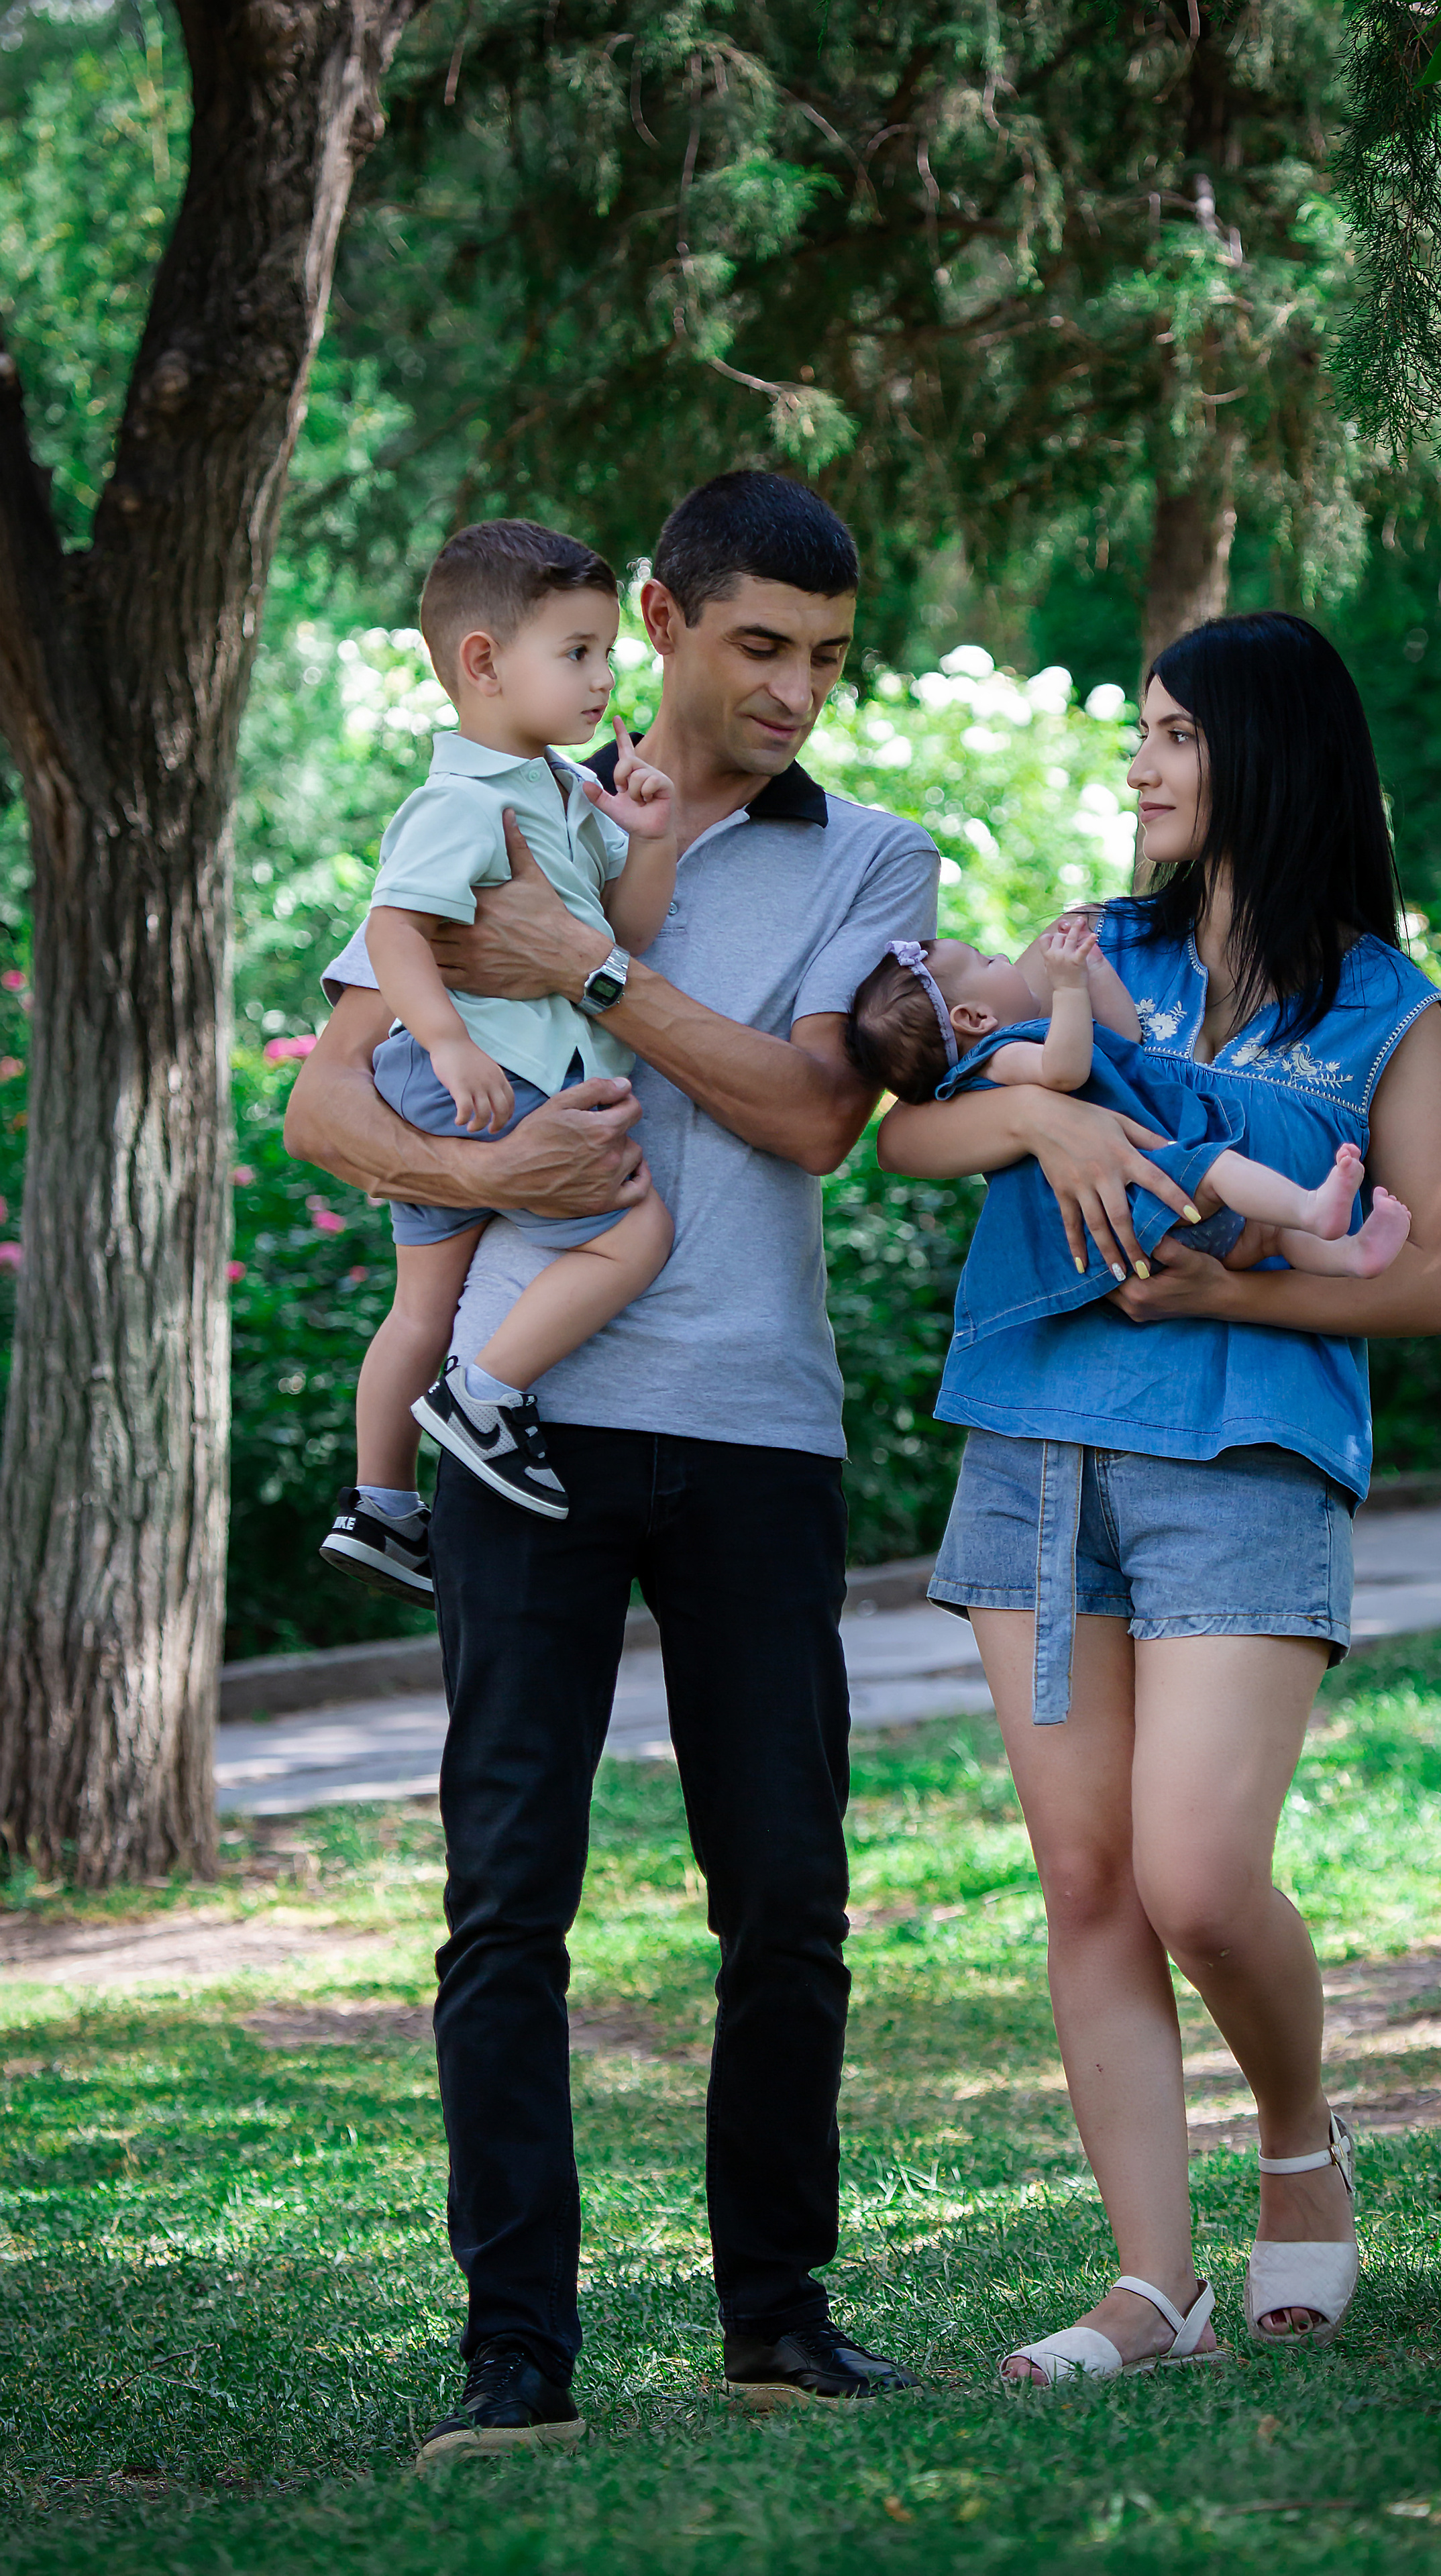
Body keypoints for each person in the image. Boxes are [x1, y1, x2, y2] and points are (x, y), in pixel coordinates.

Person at [284, 472, 937, 2461]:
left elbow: (811, 1114)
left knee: (788, 1892)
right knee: (508, 1897)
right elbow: (326, 1108)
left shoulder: (871, 854)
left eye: (828, 657)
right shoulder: (498, 796)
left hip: (755, 1423)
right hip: (520, 1422)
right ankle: (516, 2355)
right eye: (759, 645)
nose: (796, 690)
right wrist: (488, 1170)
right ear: (657, 619)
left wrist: (585, 967)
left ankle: (776, 2320)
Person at [874, 612, 1441, 2379]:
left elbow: (1440, 1280)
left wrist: (1233, 1293)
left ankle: (1297, 2144)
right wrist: (1042, 1122)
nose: (1137, 763)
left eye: (1172, 734)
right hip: (1036, 1452)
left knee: (1198, 1877)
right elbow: (908, 1132)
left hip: (1246, 1464)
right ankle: (1156, 2287)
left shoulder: (1384, 1006)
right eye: (1139, 733)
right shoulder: (1084, 951)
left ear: (1263, 755)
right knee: (1086, 1879)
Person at [320, 521, 679, 1600]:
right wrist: (444, 1041)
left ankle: (381, 1504)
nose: (605, 678)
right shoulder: (465, 799)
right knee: (638, 1230)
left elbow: (628, 934)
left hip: (469, 1076)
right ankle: (486, 1394)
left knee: (421, 1303)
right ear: (484, 662)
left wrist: (649, 837)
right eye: (578, 652)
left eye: (607, 653)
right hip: (488, 1073)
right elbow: (395, 927)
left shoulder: (557, 790)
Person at [845, 922, 1414, 1365]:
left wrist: (1095, 970)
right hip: (1148, 1197)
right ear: (974, 1016)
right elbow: (1066, 1071)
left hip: (1172, 1221)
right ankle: (1311, 1208)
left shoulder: (1030, 1038)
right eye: (986, 960)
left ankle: (1351, 1255)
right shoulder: (1001, 1057)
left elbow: (1123, 1039)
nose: (1001, 957)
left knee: (1266, 1234)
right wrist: (1069, 986)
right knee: (1218, 1169)